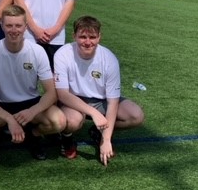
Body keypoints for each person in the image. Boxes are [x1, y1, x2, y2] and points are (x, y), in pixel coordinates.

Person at [0, 5, 65, 161]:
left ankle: (33, 136)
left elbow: (51, 93)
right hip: (1, 104)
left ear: (25, 27)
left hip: (30, 103)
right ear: (2, 26)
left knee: (59, 122)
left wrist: (32, 111)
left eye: (18, 25)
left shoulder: (37, 51)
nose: (14, 30)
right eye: (9, 25)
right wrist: (9, 119)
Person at [54, 16, 144, 165]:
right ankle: (67, 139)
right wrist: (93, 113)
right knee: (72, 121)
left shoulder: (109, 59)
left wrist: (106, 140)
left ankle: (98, 132)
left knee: (136, 115)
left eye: (92, 37)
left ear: (99, 37)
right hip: (74, 100)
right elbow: (63, 95)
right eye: (82, 37)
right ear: (74, 36)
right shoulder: (63, 54)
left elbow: (113, 101)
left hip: (102, 101)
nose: (87, 42)